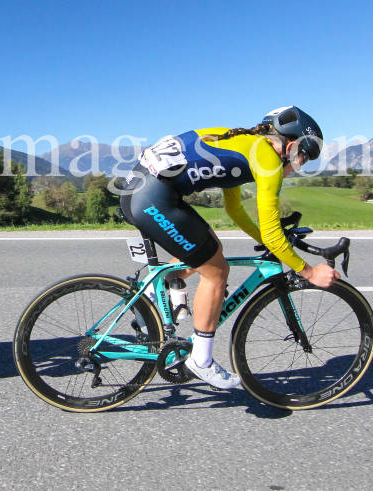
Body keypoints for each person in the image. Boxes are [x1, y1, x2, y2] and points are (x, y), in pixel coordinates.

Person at [119, 106, 340, 389]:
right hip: (151, 198)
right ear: (291, 145)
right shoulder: (268, 160)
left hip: (143, 191)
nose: (297, 168)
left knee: (210, 248)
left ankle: (156, 287)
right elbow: (273, 234)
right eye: (302, 159)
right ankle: (201, 360)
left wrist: (265, 238)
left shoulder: (247, 144)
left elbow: (234, 209)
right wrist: (309, 272)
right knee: (216, 272)